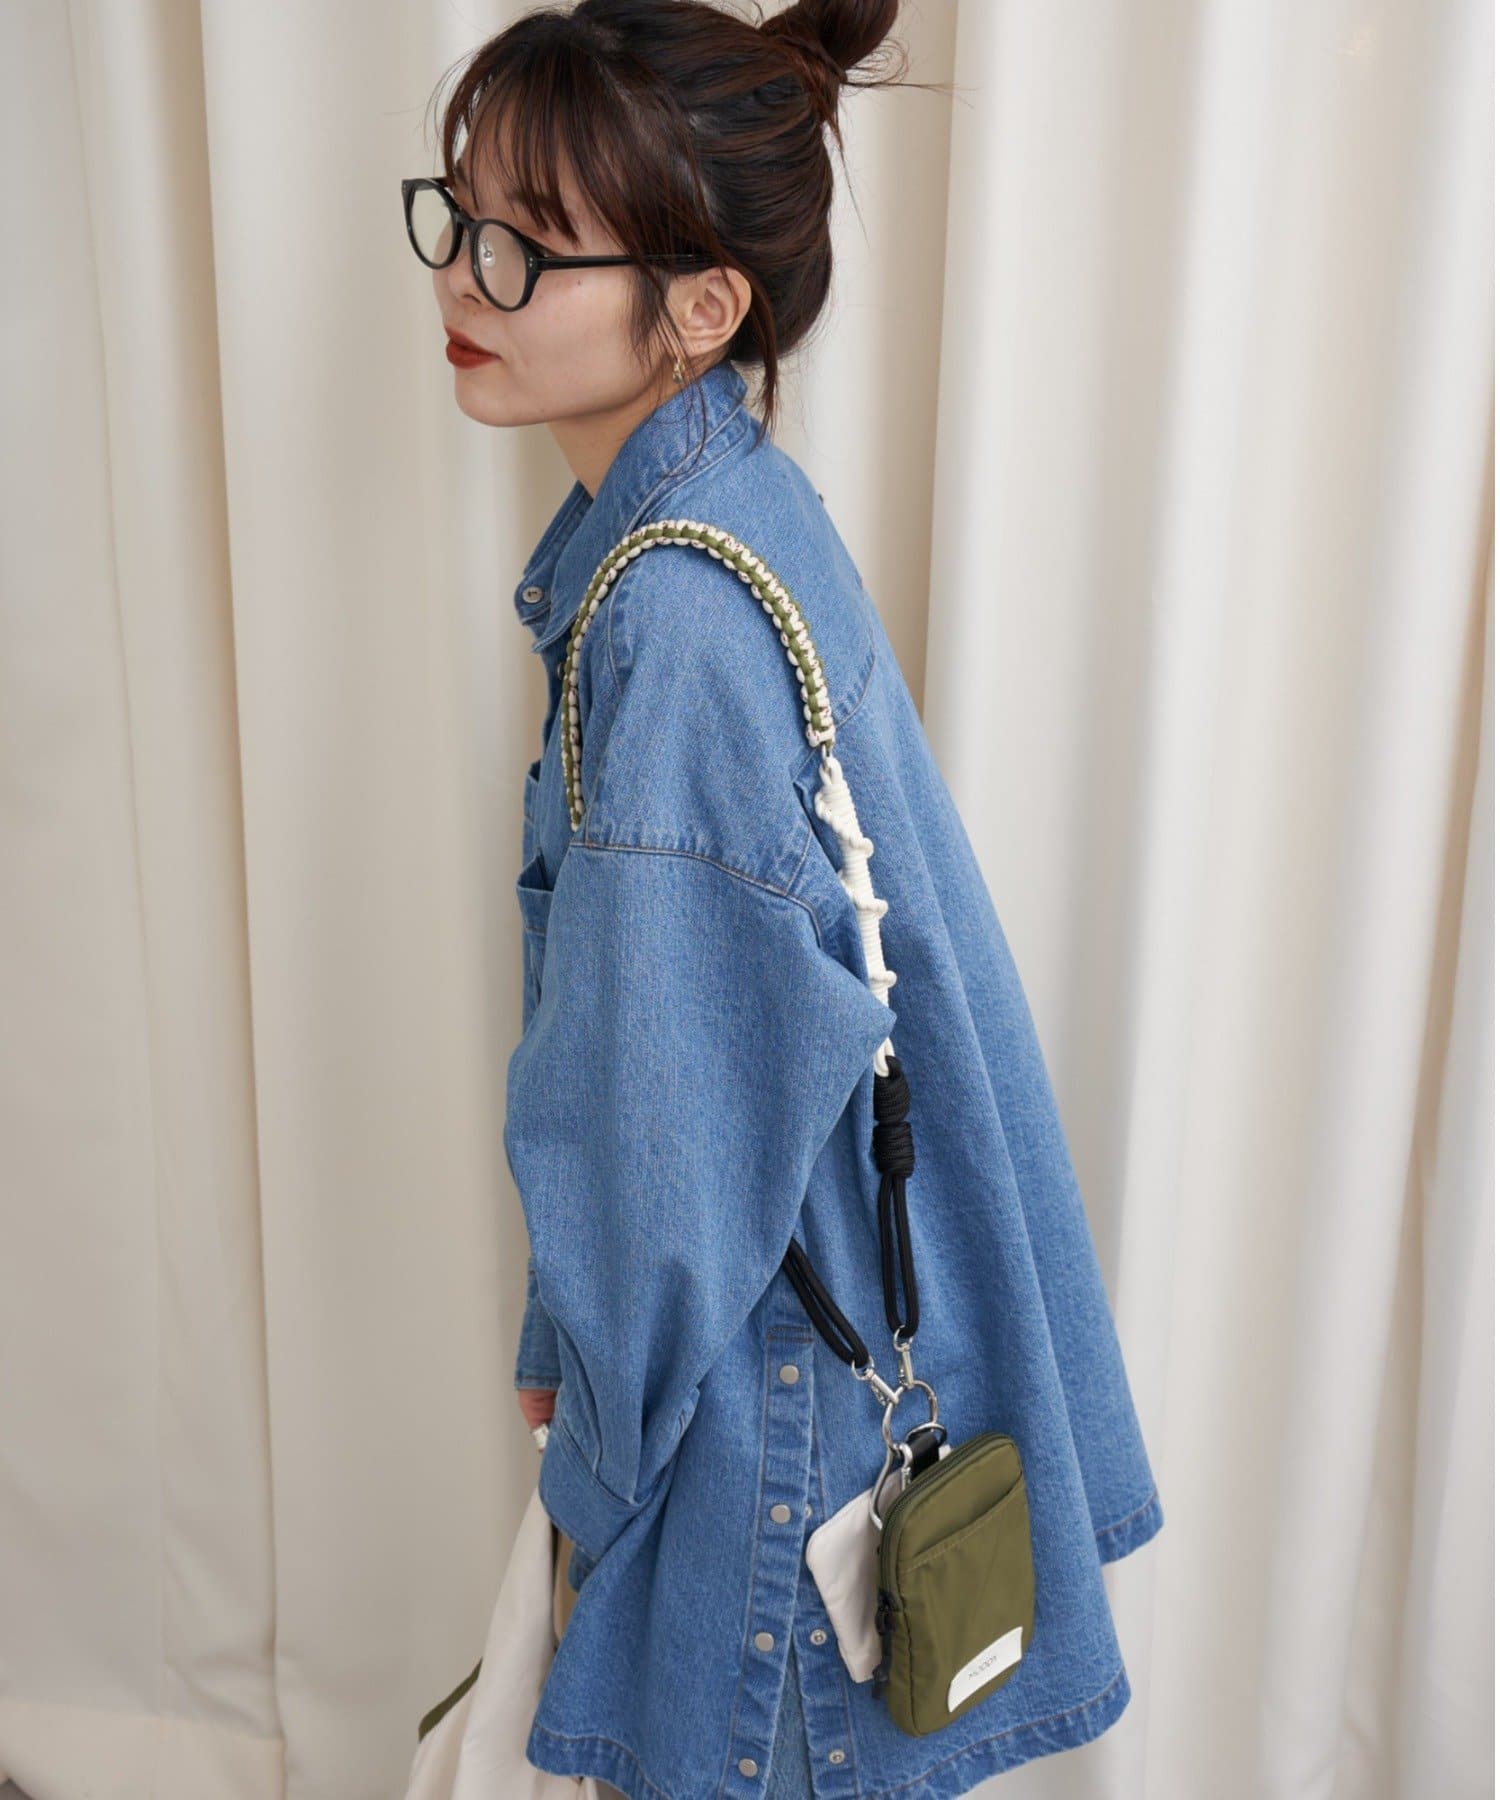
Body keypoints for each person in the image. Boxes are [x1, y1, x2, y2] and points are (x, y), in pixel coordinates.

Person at [403, 3, 1163, 1796]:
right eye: (457, 215)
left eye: (527, 244)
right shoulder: (743, 511)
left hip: (769, 1421)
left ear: (703, 307)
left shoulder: (671, 621)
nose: (465, 277)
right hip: (825, 1365)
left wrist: (594, 1459)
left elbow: (659, 1168)